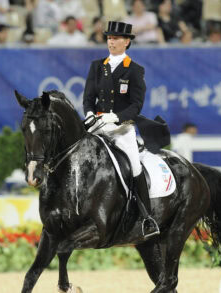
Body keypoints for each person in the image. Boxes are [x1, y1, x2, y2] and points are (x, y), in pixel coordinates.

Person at [82, 21, 159, 238]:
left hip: (121, 129)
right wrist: (89, 113)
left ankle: (147, 218)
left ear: (126, 42)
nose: (111, 42)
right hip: (97, 126)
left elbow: (136, 105)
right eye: (109, 38)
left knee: (135, 166)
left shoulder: (134, 70)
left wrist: (116, 116)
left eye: (116, 38)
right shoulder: (97, 66)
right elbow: (88, 97)